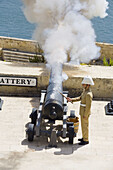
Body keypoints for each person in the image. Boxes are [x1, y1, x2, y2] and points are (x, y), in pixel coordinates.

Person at [67, 75, 94, 145]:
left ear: (87, 85)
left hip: (85, 112)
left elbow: (88, 106)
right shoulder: (85, 91)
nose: (82, 85)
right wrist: (71, 99)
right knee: (83, 126)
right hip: (82, 111)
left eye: (84, 84)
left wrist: (85, 114)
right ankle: (84, 137)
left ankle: (86, 140)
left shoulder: (88, 94)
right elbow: (80, 98)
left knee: (85, 126)